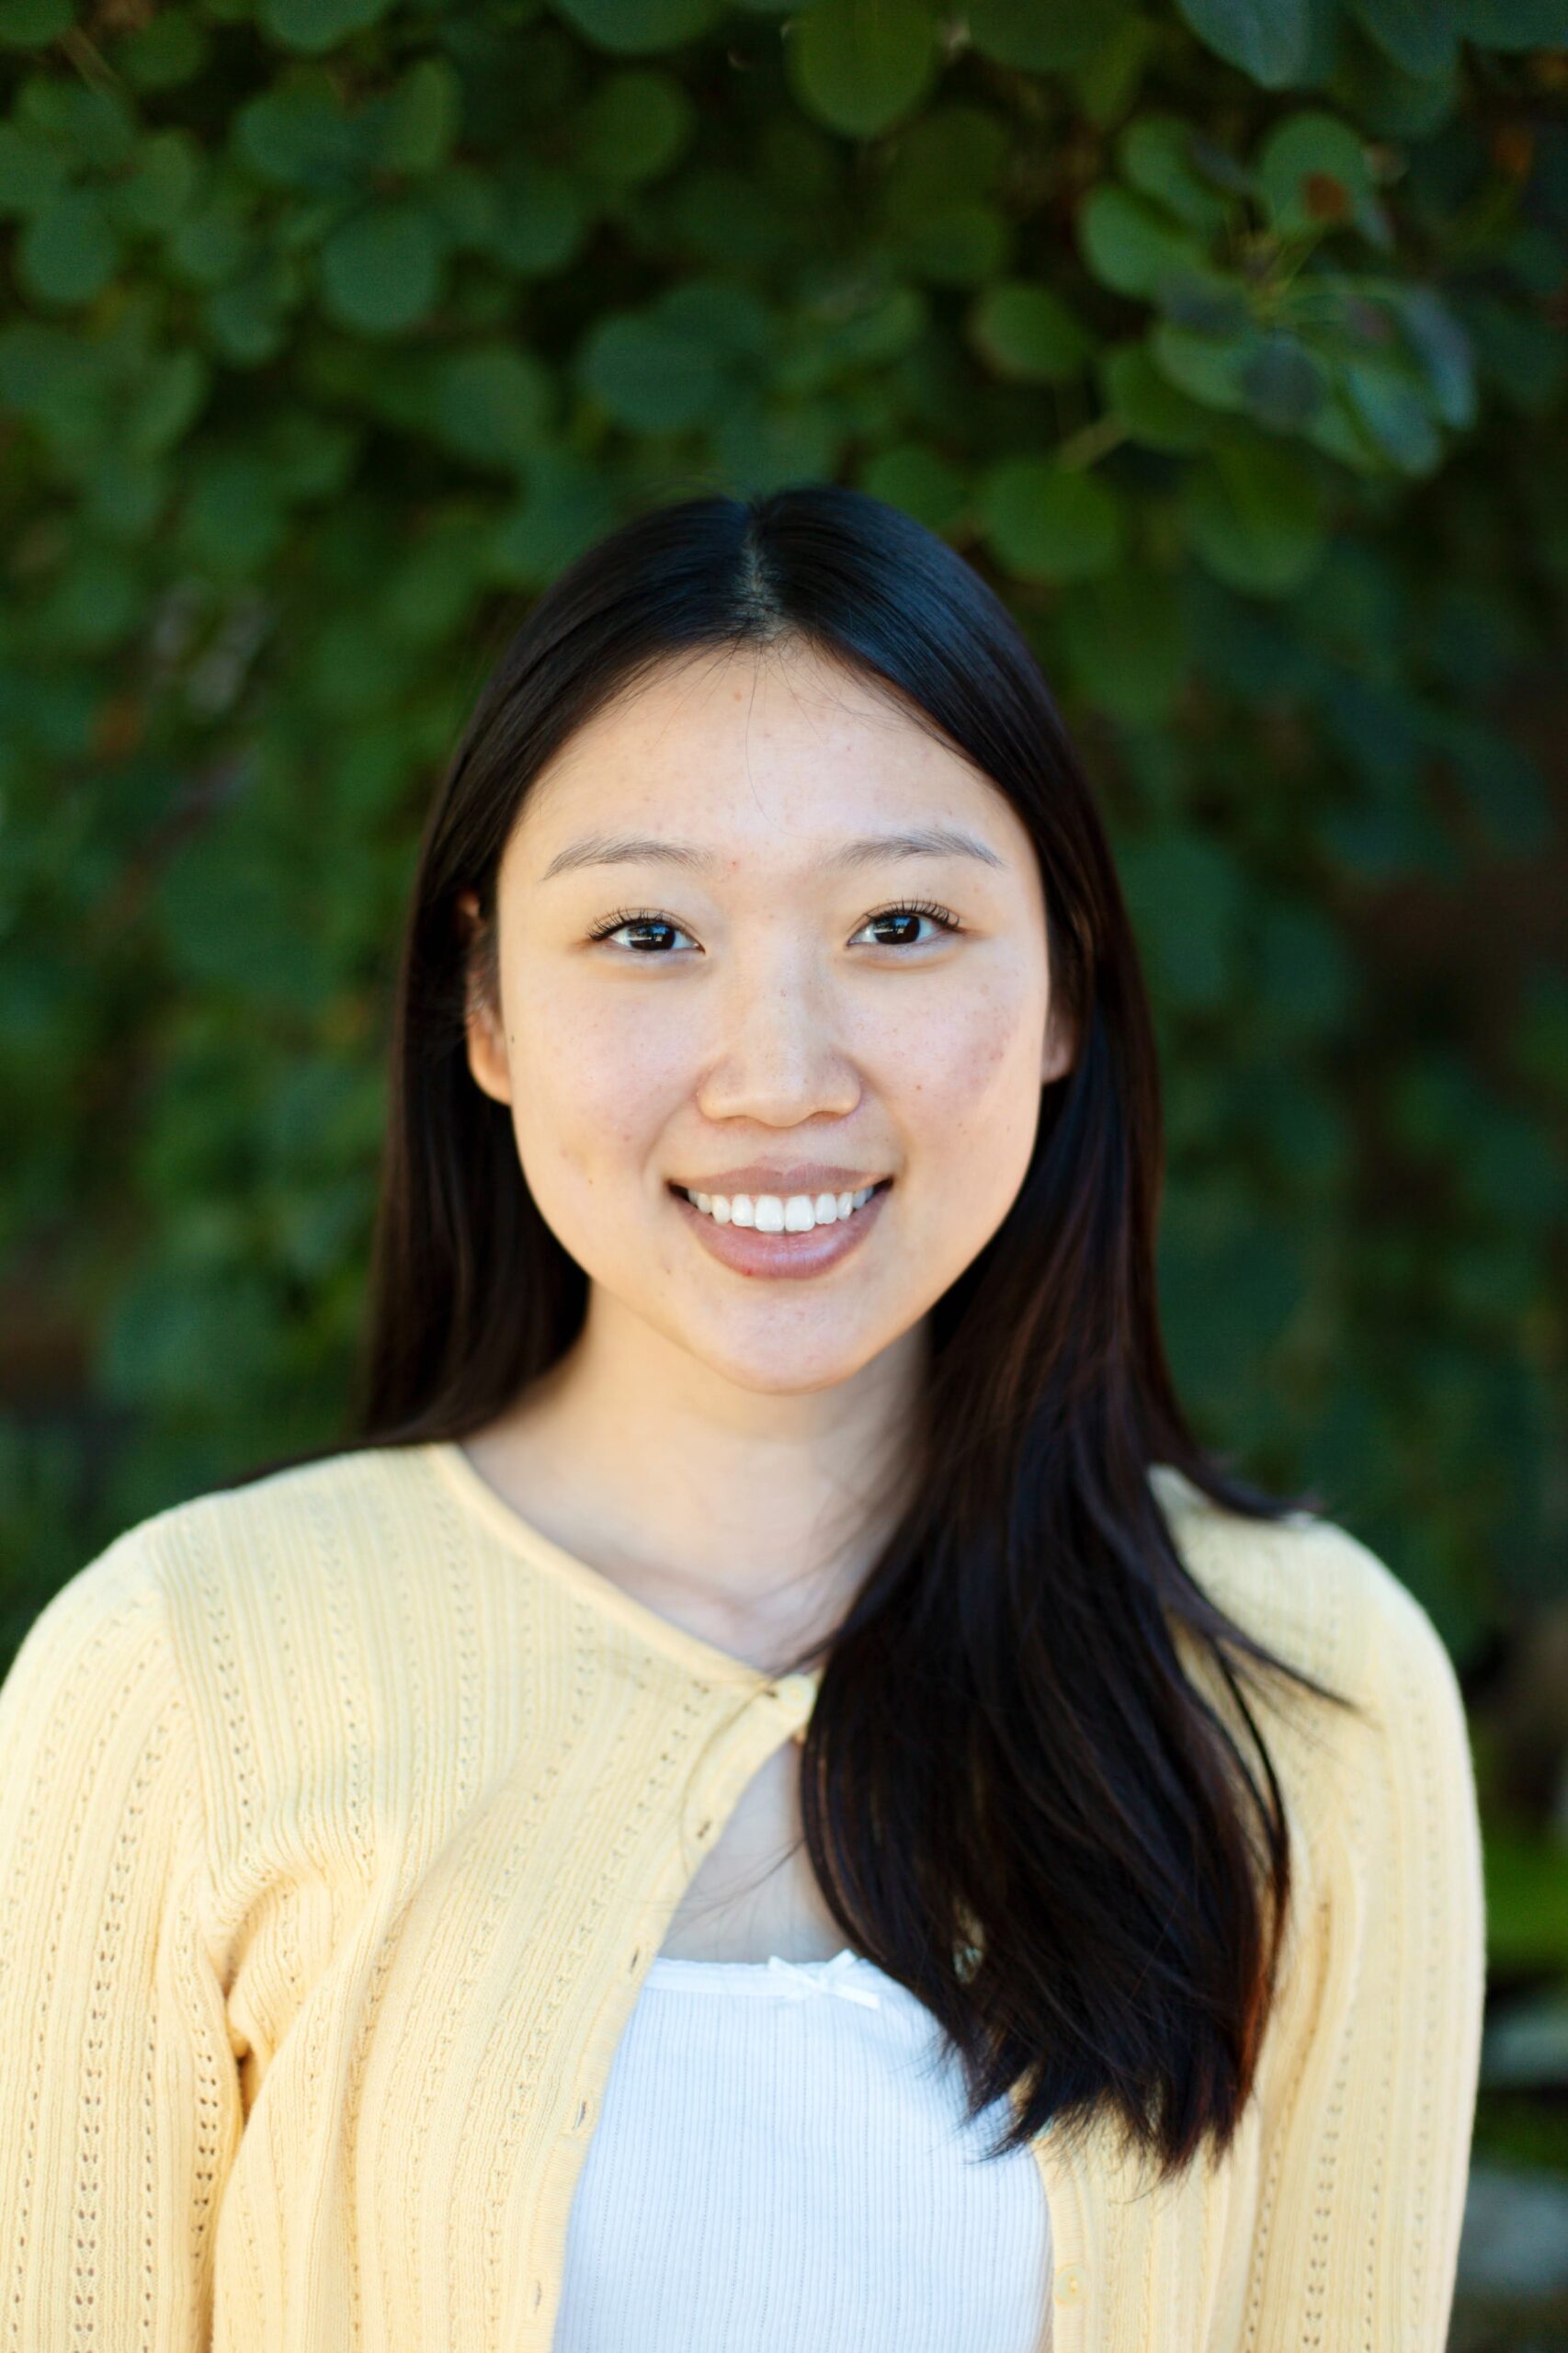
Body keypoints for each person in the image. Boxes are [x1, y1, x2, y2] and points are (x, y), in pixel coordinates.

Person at [0, 486, 1484, 2351]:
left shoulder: (1306, 1690)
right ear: (484, 1007)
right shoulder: (184, 1672)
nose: (780, 1074)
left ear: (1062, 990)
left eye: (904, 921)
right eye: (645, 933)